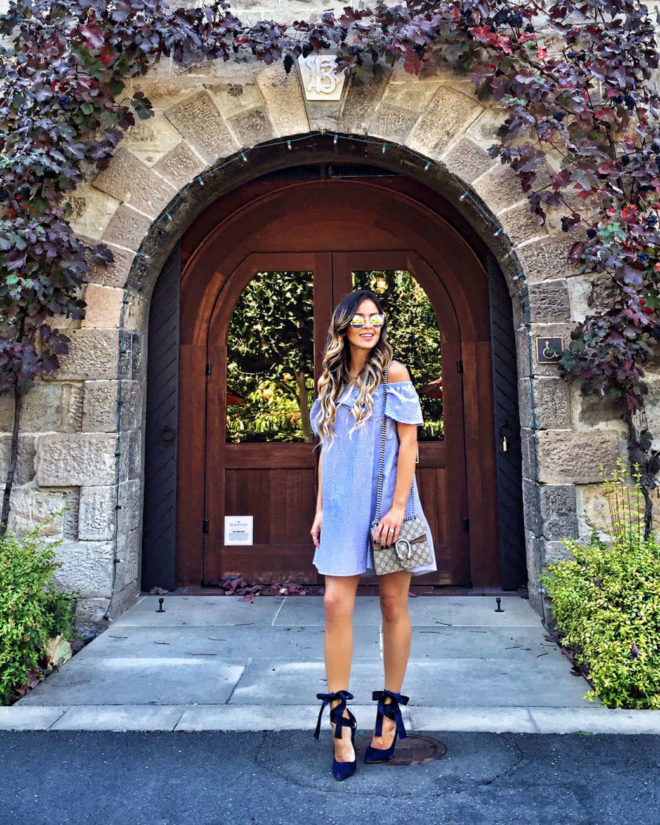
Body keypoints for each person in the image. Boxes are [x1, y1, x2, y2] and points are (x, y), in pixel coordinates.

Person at [309, 288, 437, 780]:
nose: (369, 324)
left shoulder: (394, 374)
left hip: (387, 506)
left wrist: (399, 508)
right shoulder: (328, 380)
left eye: (376, 317)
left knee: (392, 605)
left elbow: (410, 445)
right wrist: (320, 509)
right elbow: (327, 450)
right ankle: (340, 722)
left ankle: (388, 711)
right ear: (343, 326)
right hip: (342, 507)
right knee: (334, 605)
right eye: (360, 318)